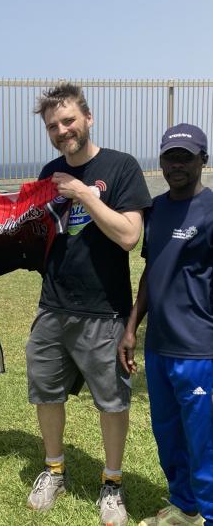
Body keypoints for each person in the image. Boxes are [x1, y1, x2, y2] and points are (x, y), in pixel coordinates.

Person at [25, 83, 151, 526]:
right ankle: (54, 469)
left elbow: (129, 236)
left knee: (112, 401)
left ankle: (112, 483)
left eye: (68, 121)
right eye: (53, 126)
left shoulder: (121, 168)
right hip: (53, 306)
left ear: (88, 118)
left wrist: (83, 193)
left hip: (105, 310)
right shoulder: (49, 170)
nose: (62, 131)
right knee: (45, 391)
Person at [119, 124, 213, 526]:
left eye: (185, 157)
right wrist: (131, 327)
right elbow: (151, 272)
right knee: (169, 436)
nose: (176, 165)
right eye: (169, 157)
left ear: (203, 161)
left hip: (200, 350)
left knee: (204, 444)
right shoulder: (155, 210)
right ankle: (185, 507)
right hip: (158, 347)